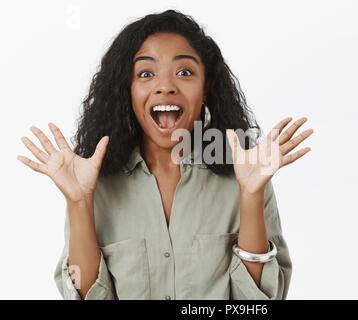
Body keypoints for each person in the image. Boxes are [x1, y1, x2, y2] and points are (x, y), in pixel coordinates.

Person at [17, 9, 313, 300]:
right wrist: (79, 203)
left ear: (206, 87)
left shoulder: (246, 174)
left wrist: (250, 195)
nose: (165, 86)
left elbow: (257, 304)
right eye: (146, 73)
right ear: (128, 90)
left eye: (184, 72)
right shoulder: (95, 183)